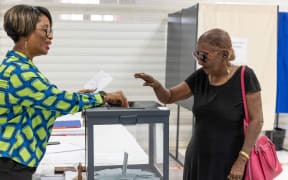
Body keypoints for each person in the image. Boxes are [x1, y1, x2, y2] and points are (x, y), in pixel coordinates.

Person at [0, 4, 128, 180]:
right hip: (11, 166)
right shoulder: (20, 72)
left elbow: (45, 103)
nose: (50, 36)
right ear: (26, 32)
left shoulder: (19, 66)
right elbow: (56, 100)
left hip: (13, 162)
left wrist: (80, 97)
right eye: (45, 30)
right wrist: (103, 97)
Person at [135, 28, 263, 180]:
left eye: (204, 55)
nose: (200, 61)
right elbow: (169, 97)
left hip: (229, 162)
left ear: (223, 54)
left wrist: (242, 160)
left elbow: (257, 121)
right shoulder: (200, 77)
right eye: (197, 54)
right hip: (197, 159)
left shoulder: (245, 76)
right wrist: (156, 85)